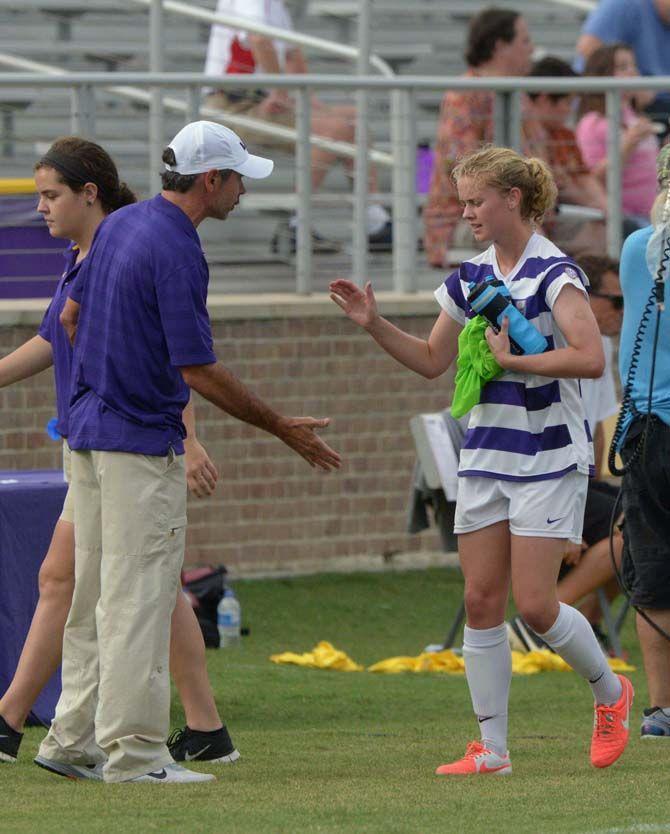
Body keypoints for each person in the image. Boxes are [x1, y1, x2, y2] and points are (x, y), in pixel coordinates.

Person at [35, 120, 340, 785]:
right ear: (211, 181)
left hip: (86, 435)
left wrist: (101, 374)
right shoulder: (176, 247)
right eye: (236, 180)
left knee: (93, 595)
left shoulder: (121, 224)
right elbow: (197, 368)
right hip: (136, 443)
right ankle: (137, 754)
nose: (241, 192)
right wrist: (280, 424)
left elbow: (69, 316)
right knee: (137, 597)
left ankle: (71, 740)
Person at [331, 146, 633, 775]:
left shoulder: (556, 273)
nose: (465, 212)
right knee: (479, 601)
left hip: (549, 455)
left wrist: (516, 360)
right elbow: (432, 361)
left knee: (537, 605)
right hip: (487, 454)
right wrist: (373, 323)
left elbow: (589, 358)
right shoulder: (469, 278)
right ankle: (492, 750)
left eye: (475, 201)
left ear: (513, 200)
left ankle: (611, 693)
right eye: (463, 200)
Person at [0, 137, 238, 769]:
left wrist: (185, 437)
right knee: (122, 588)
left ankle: (47, 729)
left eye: (50, 196)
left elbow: (148, 354)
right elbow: (70, 337)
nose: (42, 208)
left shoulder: (122, 241)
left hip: (111, 436)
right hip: (105, 439)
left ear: (90, 193)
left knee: (113, 587)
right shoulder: (113, 245)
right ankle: (136, 742)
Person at [204, 0, 392, 253]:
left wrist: (310, 104)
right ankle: (297, 226)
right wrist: (280, 92)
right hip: (232, 102)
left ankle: (373, 219)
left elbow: (292, 56)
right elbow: (259, 39)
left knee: (352, 121)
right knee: (333, 131)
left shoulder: (277, 7)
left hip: (259, 98)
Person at [617, 144, 670, 738]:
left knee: (653, 565)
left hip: (646, 429)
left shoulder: (639, 250)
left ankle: (661, 707)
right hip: (657, 422)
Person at [422, 6, 534, 268]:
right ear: (499, 46)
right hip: (465, 220)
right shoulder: (465, 93)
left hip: (520, 210)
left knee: (599, 231)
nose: (532, 49)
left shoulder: (520, 94)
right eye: (525, 41)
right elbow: (460, 163)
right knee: (532, 242)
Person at [525, 56, 608, 255]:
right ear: (545, 99)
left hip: (558, 217)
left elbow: (585, 180)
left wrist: (604, 208)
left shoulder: (565, 135)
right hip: (534, 218)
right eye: (568, 102)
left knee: (606, 226)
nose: (570, 110)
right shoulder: (520, 133)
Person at [576, 44, 659, 236]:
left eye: (633, 65)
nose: (633, 72)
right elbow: (592, 178)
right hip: (626, 221)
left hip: (653, 215)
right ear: (602, 74)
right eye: (622, 67)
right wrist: (627, 144)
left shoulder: (634, 116)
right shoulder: (592, 122)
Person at [575, 0, 670, 126]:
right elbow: (588, 48)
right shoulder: (623, 4)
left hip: (648, 111)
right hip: (612, 111)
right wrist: (635, 88)